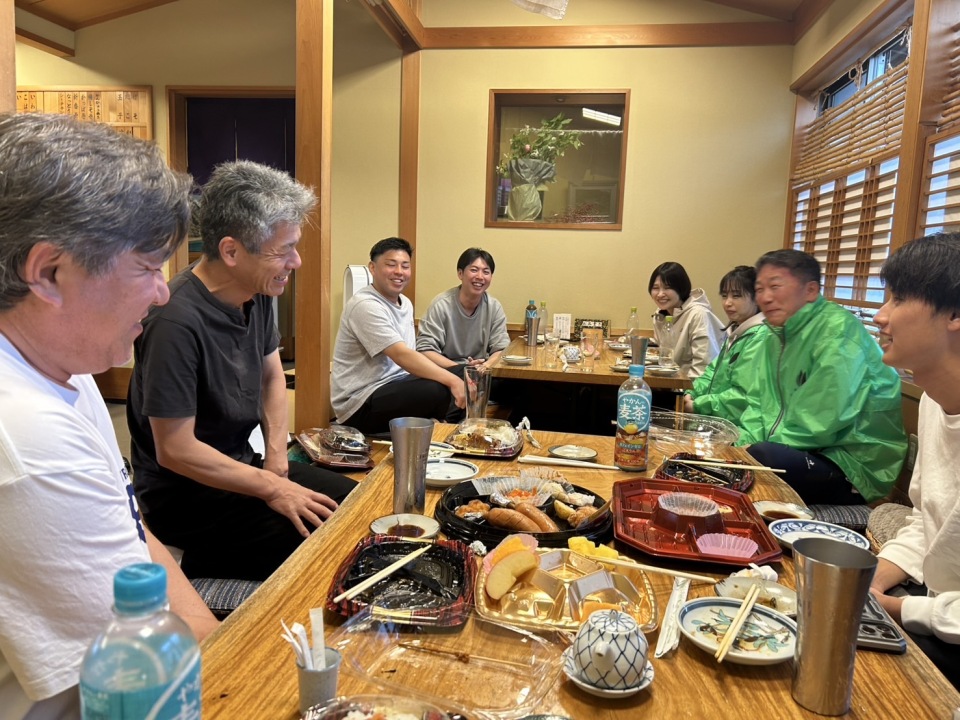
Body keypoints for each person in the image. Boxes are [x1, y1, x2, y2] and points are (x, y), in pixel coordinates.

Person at [0, 113, 219, 719]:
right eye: (147, 267)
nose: (163, 291)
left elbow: (132, 533)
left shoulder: (63, 364)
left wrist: (216, 643)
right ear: (48, 272)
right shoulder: (27, 436)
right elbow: (138, 667)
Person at [127, 160, 357, 582]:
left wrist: (276, 460)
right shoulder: (174, 321)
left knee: (354, 505)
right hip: (188, 497)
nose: (296, 261)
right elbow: (174, 449)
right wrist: (272, 488)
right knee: (326, 548)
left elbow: (272, 376)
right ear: (231, 251)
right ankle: (192, 568)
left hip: (243, 466)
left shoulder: (258, 290)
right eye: (283, 250)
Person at [740, 249, 906, 505]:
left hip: (850, 463)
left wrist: (752, 452)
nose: (765, 297)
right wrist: (742, 447)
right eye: (759, 289)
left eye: (775, 286)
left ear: (810, 290)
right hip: (802, 448)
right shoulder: (774, 335)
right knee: (741, 455)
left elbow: (822, 422)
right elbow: (759, 403)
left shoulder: (836, 332)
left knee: (764, 457)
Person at [869, 232, 960, 689]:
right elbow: (927, 520)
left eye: (899, 298)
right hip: (935, 605)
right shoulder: (933, 400)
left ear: (955, 315)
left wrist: (904, 609)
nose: (880, 315)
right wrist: (871, 581)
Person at [331, 237, 466, 435]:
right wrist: (452, 381)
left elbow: (410, 356)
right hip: (360, 403)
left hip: (396, 385)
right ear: (372, 268)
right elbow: (401, 354)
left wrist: (457, 375)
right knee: (436, 389)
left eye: (405, 266)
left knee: (466, 372)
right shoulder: (365, 305)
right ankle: (435, 424)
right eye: (391, 264)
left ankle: (439, 423)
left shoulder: (405, 302)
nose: (399, 272)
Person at [684, 265, 767, 422]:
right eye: (724, 296)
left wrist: (698, 405)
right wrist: (691, 393)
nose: (727, 303)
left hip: (738, 425)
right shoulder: (736, 331)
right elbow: (711, 372)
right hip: (717, 417)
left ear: (757, 298)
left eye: (736, 296)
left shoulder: (759, 337)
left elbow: (742, 396)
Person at [417, 248, 510, 372]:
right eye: (474, 270)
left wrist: (485, 366)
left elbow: (501, 349)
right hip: (446, 371)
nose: (480, 277)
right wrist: (462, 370)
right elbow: (425, 349)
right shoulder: (441, 305)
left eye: (486, 272)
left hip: (482, 371)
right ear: (460, 273)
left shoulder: (494, 307)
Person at [648, 261, 724, 378]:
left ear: (681, 288)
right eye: (655, 288)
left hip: (693, 385)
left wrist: (686, 388)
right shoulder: (660, 316)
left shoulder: (699, 314)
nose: (660, 294)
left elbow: (704, 367)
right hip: (673, 381)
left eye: (667, 288)